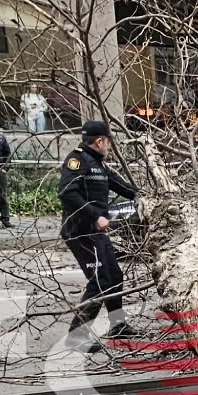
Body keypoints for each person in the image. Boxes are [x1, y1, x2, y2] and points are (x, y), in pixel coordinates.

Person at [60, 120, 137, 347]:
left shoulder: (98, 164)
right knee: (99, 281)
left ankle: (117, 324)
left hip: (95, 232)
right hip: (81, 231)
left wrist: (145, 197)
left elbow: (121, 186)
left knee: (114, 276)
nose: (109, 147)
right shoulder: (77, 161)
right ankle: (76, 336)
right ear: (100, 141)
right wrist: (96, 216)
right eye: (109, 143)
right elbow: (66, 192)